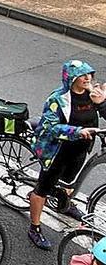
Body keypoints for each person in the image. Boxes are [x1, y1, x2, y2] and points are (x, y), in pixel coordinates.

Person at [28, 60, 106, 250]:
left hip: (79, 150)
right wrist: (77, 131)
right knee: (42, 189)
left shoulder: (92, 95)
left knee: (70, 182)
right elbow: (49, 127)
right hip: (57, 151)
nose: (88, 78)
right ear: (71, 78)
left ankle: (65, 203)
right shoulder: (58, 99)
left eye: (90, 74)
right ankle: (34, 228)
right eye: (83, 75)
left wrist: (102, 103)